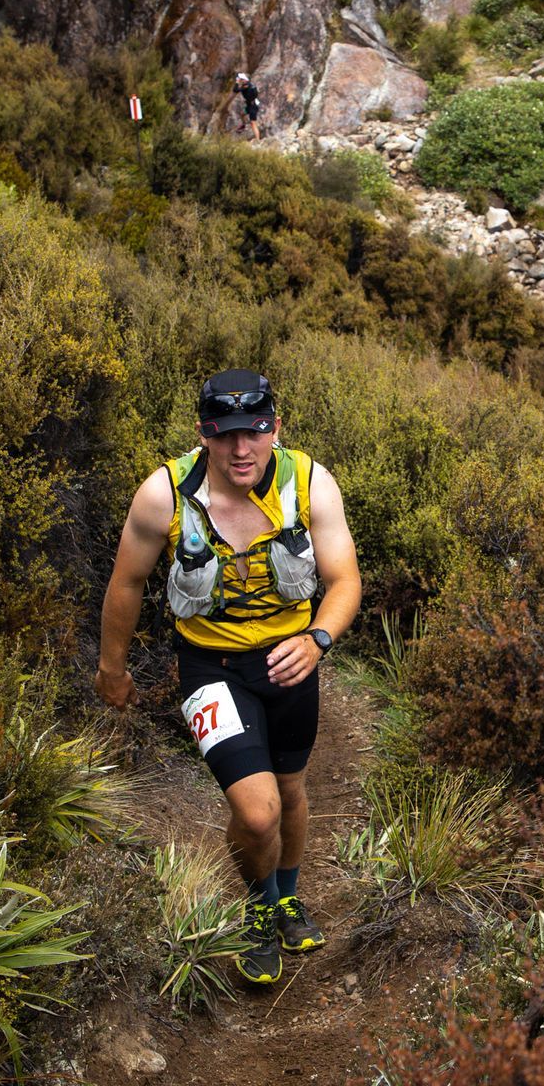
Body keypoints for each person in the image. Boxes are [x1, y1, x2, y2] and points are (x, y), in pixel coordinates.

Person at [97, 369, 362, 985]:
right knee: (258, 810)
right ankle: (259, 907)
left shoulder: (309, 483)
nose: (242, 450)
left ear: (276, 427)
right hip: (209, 667)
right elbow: (127, 582)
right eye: (226, 435)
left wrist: (318, 639)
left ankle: (286, 896)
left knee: (290, 790)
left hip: (292, 659)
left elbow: (344, 580)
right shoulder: (165, 494)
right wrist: (112, 668)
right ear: (204, 434)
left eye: (256, 432)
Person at [234, 72, 262, 140]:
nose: (240, 81)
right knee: (242, 114)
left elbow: (235, 90)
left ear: (243, 79)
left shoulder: (246, 86)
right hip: (250, 106)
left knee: (253, 123)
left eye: (241, 79)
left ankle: (258, 140)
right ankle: (243, 125)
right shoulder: (249, 85)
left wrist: (237, 82)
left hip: (253, 107)